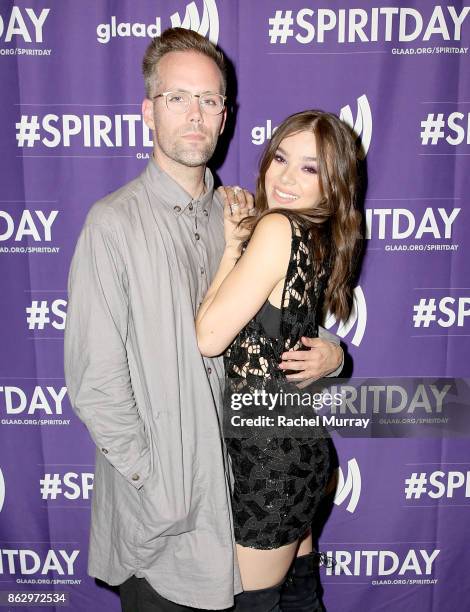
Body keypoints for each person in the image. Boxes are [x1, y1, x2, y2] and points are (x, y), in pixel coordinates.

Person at [64, 28, 343, 611]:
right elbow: (96, 384)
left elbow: (279, 316)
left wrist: (332, 352)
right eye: (178, 98)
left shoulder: (241, 210)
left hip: (245, 497)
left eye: (210, 100)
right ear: (148, 111)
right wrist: (157, 483)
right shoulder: (112, 225)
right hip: (167, 529)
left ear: (225, 116)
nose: (196, 114)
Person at [196, 109, 362, 610]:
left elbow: (208, 337)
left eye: (310, 168)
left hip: (269, 465)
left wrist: (231, 252)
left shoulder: (278, 228)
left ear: (333, 184)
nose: (286, 176)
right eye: (281, 157)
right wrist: (233, 247)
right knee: (300, 595)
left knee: (258, 603)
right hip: (299, 455)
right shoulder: (318, 236)